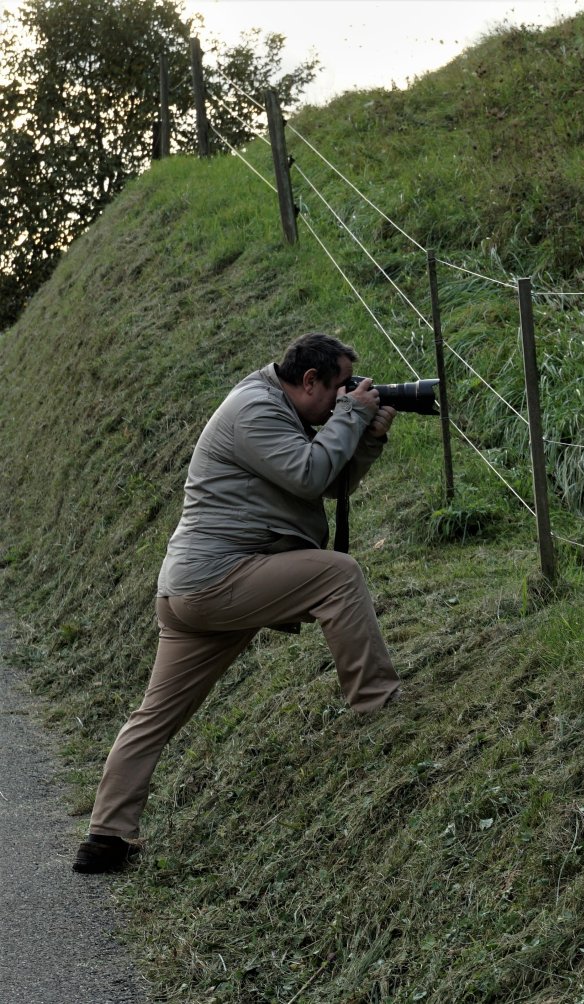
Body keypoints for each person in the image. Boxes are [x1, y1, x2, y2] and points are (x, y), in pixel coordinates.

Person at [73, 333, 402, 874]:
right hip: (218, 579)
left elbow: (323, 480)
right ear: (311, 381)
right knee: (338, 575)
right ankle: (379, 707)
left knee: (154, 716)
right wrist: (350, 419)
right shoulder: (254, 409)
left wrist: (365, 438)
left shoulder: (278, 407)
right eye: (341, 388)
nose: (348, 397)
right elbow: (309, 474)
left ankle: (106, 838)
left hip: (194, 588)